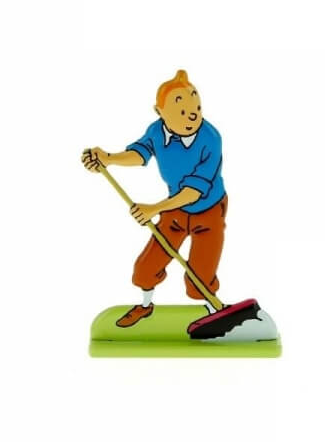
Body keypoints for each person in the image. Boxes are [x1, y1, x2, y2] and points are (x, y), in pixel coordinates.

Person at [81, 69, 228, 327]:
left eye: (196, 108)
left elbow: (193, 192)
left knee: (200, 278)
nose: (192, 116)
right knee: (146, 266)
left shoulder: (210, 139)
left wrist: (154, 208)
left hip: (208, 210)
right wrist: (108, 159)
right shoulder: (157, 131)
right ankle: (145, 306)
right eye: (183, 112)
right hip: (175, 210)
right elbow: (140, 154)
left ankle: (214, 312)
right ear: (160, 112)